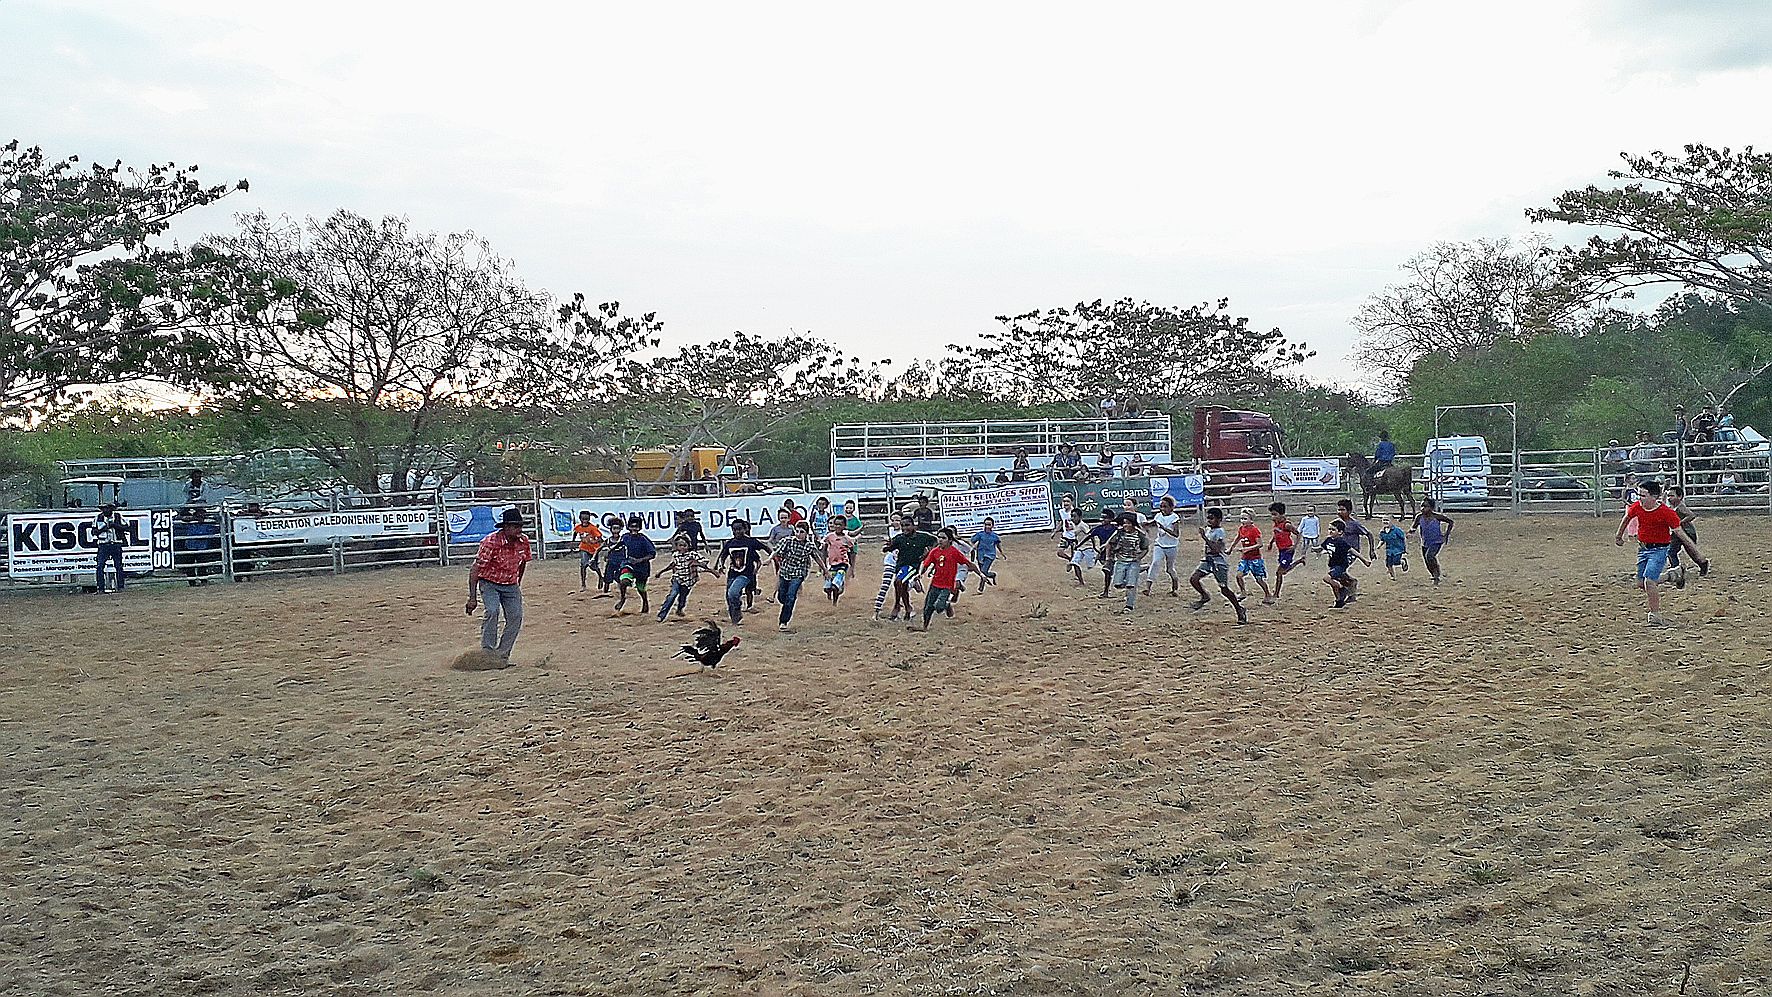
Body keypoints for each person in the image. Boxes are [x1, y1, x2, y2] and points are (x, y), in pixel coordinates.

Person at [1615, 479, 1702, 627]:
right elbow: (1626, 518)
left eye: (1643, 495)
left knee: (1649, 581)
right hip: (1643, 549)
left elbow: (1681, 534)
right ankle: (1673, 574)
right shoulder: (1637, 507)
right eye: (1639, 495)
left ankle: (1654, 614)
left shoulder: (1666, 513)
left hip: (1659, 550)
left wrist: (1697, 554)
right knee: (1641, 583)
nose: (1639, 498)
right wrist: (1619, 535)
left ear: (1654, 497)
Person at [465, 508, 533, 661]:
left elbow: (523, 563)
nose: (519, 530)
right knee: (492, 611)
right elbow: (476, 568)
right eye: (516, 527)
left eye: (520, 527)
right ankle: (488, 652)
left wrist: (517, 582)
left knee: (516, 616)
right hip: (489, 582)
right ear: (506, 527)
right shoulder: (490, 542)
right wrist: (472, 597)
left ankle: (502, 655)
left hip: (510, 583)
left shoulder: (524, 541)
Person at [1188, 507, 1248, 624]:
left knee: (1224, 589)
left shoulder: (1219, 532)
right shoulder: (1208, 530)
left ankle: (1239, 609)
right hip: (1209, 561)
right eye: (1208, 518)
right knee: (1194, 579)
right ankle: (1205, 595)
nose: (1209, 521)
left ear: (1219, 520)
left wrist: (1204, 538)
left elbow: (1216, 549)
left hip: (1219, 563)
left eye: (1212, 518)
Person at [910, 527, 976, 632]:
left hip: (949, 582)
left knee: (939, 607)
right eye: (939, 537)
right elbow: (927, 564)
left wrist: (981, 574)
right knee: (928, 607)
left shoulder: (955, 550)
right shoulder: (935, 551)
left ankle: (946, 603)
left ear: (950, 539)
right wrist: (920, 574)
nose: (940, 540)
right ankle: (925, 626)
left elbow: (969, 560)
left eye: (943, 538)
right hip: (936, 583)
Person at [771, 520, 827, 632]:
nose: (798, 534)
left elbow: (817, 557)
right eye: (797, 531)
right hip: (785, 571)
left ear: (806, 533)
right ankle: (785, 605)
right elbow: (776, 551)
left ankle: (784, 621)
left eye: (801, 532)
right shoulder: (787, 541)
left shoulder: (809, 546)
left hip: (799, 573)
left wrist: (825, 570)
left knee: (791, 596)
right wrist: (769, 559)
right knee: (782, 597)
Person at [882, 515, 937, 622]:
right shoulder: (899, 538)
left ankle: (898, 605)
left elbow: (935, 541)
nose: (904, 528)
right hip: (901, 566)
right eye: (903, 526)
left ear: (913, 525)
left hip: (912, 566)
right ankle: (907, 607)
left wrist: (928, 553)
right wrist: (887, 547)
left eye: (907, 525)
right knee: (901, 585)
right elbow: (889, 548)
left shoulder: (922, 537)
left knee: (898, 581)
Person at [716, 519, 769, 625]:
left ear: (744, 529)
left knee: (733, 593)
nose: (737, 532)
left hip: (746, 574)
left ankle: (741, 609)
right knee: (729, 596)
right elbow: (723, 555)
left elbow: (765, 547)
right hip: (732, 573)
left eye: (739, 529)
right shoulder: (730, 543)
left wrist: (772, 558)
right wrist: (721, 565)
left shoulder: (751, 542)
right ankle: (736, 617)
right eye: (734, 530)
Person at [1661, 484, 1711, 587]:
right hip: (1677, 532)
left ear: (1679, 497)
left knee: (1691, 552)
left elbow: (1691, 515)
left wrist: (1680, 522)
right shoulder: (1673, 506)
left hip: (1687, 532)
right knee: (1671, 551)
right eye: (1669, 496)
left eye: (1672, 496)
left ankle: (1702, 564)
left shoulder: (1680, 506)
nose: (1670, 498)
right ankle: (1676, 568)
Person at [655, 535, 709, 620]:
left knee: (683, 597)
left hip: (688, 580)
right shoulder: (675, 555)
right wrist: (661, 572)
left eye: (684, 545)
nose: (682, 548)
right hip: (678, 579)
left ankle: (680, 609)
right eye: (680, 545)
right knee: (672, 595)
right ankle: (661, 615)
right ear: (676, 546)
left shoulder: (693, 554)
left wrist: (697, 563)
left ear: (689, 546)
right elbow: (672, 565)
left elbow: (704, 561)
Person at [1322, 520, 1371, 609]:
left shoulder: (1341, 542)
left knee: (1327, 578)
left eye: (1333, 530)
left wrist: (1364, 560)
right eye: (1329, 529)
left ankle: (1342, 589)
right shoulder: (1328, 540)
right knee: (1335, 583)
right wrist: (1315, 549)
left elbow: (1352, 550)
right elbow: (1322, 548)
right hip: (1333, 565)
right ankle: (1340, 600)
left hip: (1341, 565)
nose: (1330, 531)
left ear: (1340, 532)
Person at [1107, 511, 1151, 611]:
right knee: (1117, 584)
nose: (1125, 525)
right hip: (1121, 561)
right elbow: (1109, 543)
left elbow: (1145, 548)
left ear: (1133, 524)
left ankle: (1129, 605)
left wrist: (1139, 557)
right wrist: (1109, 557)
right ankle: (1143, 569)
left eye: (1128, 523)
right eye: (1124, 523)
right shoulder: (1119, 532)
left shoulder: (1140, 535)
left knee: (1131, 585)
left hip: (1133, 562)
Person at [1142, 495, 1184, 598]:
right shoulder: (1158, 516)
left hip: (1171, 546)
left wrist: (1164, 528)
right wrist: (1143, 524)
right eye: (1161, 506)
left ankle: (1174, 587)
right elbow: (1152, 523)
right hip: (1160, 544)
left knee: (1170, 569)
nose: (1162, 509)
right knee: (1155, 563)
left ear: (1171, 507)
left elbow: (1176, 534)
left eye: (1165, 506)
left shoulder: (1174, 518)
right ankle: (1148, 587)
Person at [613, 517, 657, 615]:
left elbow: (652, 553)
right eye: (632, 526)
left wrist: (639, 560)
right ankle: (623, 598)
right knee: (624, 581)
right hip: (628, 564)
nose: (634, 529)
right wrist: (611, 553)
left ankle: (645, 601)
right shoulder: (625, 537)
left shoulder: (644, 539)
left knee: (641, 588)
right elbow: (619, 546)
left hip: (642, 567)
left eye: (636, 527)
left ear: (640, 528)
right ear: (628, 527)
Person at [1233, 508, 1274, 605]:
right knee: (1238, 576)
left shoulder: (1255, 530)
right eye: (1241, 519)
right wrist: (1231, 548)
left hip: (1255, 558)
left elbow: (1260, 544)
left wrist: (1248, 549)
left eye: (1245, 519)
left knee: (1259, 579)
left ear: (1251, 520)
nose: (1242, 521)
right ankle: (1243, 592)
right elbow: (1238, 538)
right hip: (1245, 558)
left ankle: (1268, 594)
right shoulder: (1241, 529)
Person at [871, 511, 906, 621]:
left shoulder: (904, 533)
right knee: (885, 585)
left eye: (897, 520)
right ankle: (877, 610)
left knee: (902, 587)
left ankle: (899, 608)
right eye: (893, 520)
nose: (895, 522)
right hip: (891, 561)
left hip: (901, 562)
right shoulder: (891, 531)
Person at [1412, 497, 1455, 586]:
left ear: (1431, 508)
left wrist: (1446, 535)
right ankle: (1435, 573)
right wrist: (1410, 533)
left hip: (1437, 541)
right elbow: (1414, 527)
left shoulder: (1436, 517)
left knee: (1430, 556)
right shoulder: (1419, 517)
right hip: (1425, 542)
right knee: (1427, 561)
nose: (1423, 508)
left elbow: (1450, 522)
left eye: (1425, 506)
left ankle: (1436, 576)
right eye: (1422, 506)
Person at [1266, 502, 1302, 601]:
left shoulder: (1287, 525)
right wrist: (1271, 542)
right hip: (1281, 550)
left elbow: (1298, 534)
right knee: (1283, 571)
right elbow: (1276, 534)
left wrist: (1294, 546)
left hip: (1287, 550)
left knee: (1279, 572)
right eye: (1272, 514)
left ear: (1281, 514)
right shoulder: (1276, 524)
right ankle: (1299, 561)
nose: (1273, 517)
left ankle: (1276, 594)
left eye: (1275, 514)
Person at [92, 501, 127, 594]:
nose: (104, 510)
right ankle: (100, 588)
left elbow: (126, 527)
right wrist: (104, 528)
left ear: (111, 509)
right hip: (103, 544)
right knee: (100, 566)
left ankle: (120, 586)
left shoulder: (118, 517)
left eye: (107, 508)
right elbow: (93, 532)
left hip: (116, 543)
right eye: (103, 508)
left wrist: (114, 525)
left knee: (118, 566)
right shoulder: (98, 518)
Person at [1083, 509, 1118, 598]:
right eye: (1102, 517)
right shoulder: (1099, 529)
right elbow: (1088, 536)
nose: (1102, 519)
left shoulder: (1116, 530)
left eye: (1105, 518)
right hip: (1104, 554)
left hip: (1114, 554)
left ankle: (1106, 591)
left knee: (1107, 571)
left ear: (1111, 519)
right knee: (1109, 572)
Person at [822, 520, 857, 604]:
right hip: (831, 564)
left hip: (843, 563)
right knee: (827, 587)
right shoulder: (829, 536)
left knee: (835, 586)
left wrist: (851, 566)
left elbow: (852, 552)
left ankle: (835, 602)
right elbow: (824, 547)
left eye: (840, 525)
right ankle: (832, 592)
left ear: (844, 526)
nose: (837, 526)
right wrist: (823, 564)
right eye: (836, 524)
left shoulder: (847, 539)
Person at [572, 511, 604, 591]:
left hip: (593, 550)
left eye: (586, 519)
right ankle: (583, 584)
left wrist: (595, 542)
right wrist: (573, 541)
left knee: (593, 566)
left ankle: (600, 577)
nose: (585, 521)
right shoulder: (578, 527)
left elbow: (600, 538)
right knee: (583, 564)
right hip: (584, 548)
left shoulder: (593, 528)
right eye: (583, 519)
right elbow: (575, 532)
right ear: (580, 519)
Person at [970, 518, 1003, 591]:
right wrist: (974, 546)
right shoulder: (980, 534)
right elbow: (972, 541)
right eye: (986, 524)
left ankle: (981, 588)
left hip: (990, 555)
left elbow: (998, 544)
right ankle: (992, 575)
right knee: (982, 572)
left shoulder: (994, 536)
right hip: (980, 555)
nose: (987, 526)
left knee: (983, 571)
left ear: (992, 526)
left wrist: (1002, 553)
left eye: (989, 525)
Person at [598, 513, 627, 595]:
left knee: (620, 578)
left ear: (621, 529)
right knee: (607, 577)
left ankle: (622, 593)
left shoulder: (623, 539)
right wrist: (594, 557)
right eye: (614, 528)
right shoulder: (608, 540)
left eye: (617, 528)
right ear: (610, 529)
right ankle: (605, 592)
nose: (615, 530)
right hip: (611, 562)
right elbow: (599, 548)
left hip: (621, 562)